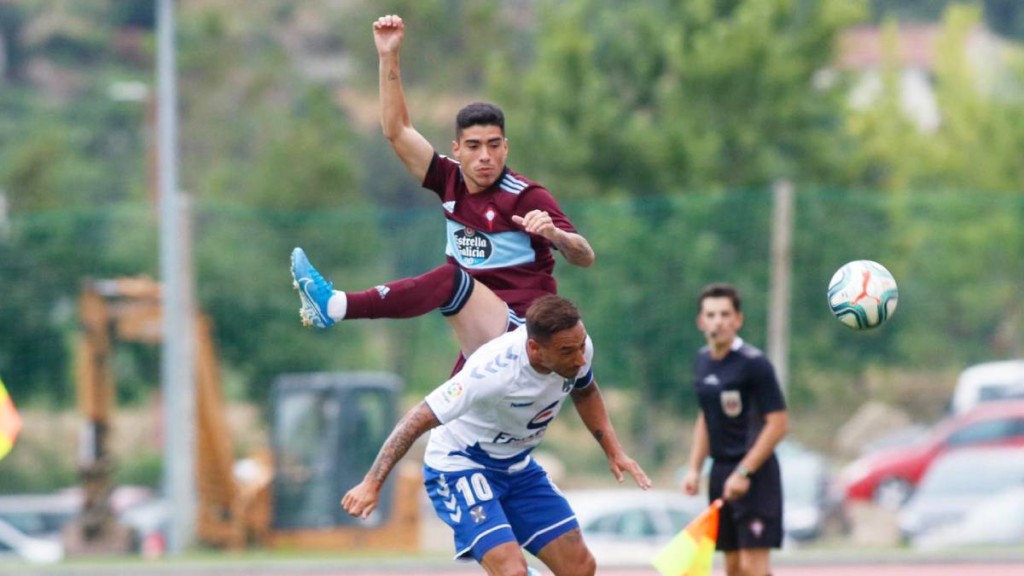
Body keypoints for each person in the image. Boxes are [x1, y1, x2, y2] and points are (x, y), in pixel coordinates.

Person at [291, 13, 594, 364]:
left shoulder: (525, 196)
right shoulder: (447, 179)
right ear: (457, 149)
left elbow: (585, 256)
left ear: (506, 148)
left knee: (450, 281)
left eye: (494, 145)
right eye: (475, 145)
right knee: (439, 420)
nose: (485, 156)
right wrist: (389, 56)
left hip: (520, 334)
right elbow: (397, 131)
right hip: (479, 338)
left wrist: (557, 234)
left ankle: (334, 305)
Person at [342, 295, 651, 576]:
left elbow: (585, 391)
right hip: (461, 465)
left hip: (517, 467)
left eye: (581, 345)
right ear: (534, 349)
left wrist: (613, 450)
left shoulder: (576, 347)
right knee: (511, 572)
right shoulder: (491, 373)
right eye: (568, 351)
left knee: (580, 567)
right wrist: (372, 483)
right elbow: (414, 420)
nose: (580, 358)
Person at [680, 283, 789, 576]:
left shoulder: (754, 364)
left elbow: (778, 424)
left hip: (756, 476)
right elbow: (706, 415)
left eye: (725, 314)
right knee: (733, 567)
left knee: (753, 566)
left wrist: (744, 471)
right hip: (720, 472)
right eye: (712, 314)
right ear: (701, 321)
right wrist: (694, 468)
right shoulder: (702, 361)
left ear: (738, 319)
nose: (719, 321)